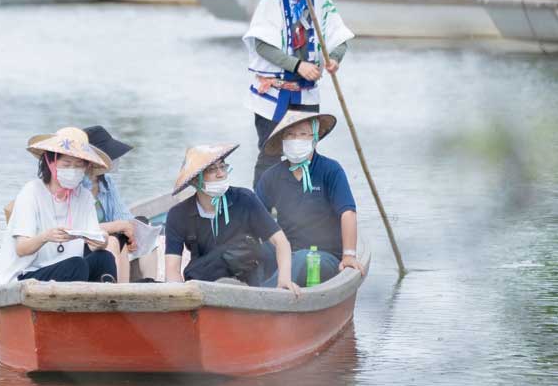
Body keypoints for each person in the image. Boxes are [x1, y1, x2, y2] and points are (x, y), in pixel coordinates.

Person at [243, 0, 354, 174]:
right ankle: (263, 208)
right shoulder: (270, 1)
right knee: (270, 155)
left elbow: (340, 38)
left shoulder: (323, 2)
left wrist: (333, 58)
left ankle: (300, 207)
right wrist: (298, 66)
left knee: (304, 154)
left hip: (307, 92)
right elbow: (262, 46)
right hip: (274, 91)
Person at [0, 128, 130, 284]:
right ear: (51, 162)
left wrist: (102, 241)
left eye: (78, 165)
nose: (72, 170)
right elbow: (22, 248)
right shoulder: (32, 192)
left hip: (69, 270)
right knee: (76, 265)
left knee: (104, 257)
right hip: (28, 274)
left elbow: (93, 242)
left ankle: (105, 303)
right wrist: (46, 237)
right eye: (66, 164)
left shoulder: (84, 197)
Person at [161, 143, 297, 291]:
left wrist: (284, 279)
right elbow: (172, 269)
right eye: (212, 170)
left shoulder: (245, 199)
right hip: (203, 284)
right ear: (195, 180)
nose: (221, 174)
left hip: (247, 284)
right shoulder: (178, 214)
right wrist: (181, 295)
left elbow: (281, 241)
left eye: (223, 167)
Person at [254, 111, 363, 287]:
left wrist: (349, 255)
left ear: (314, 137)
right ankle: (247, 290)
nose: (296, 139)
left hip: (323, 256)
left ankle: (262, 297)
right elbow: (254, 216)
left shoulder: (330, 170)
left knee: (303, 258)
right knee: (249, 250)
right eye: (290, 134)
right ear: (282, 140)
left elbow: (348, 213)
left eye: (303, 134)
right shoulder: (272, 176)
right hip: (286, 252)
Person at [79, 124, 163, 281]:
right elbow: (80, 228)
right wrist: (119, 226)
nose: (114, 160)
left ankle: (152, 285)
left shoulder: (106, 182)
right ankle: (120, 291)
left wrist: (132, 232)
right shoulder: (78, 185)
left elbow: (123, 216)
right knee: (114, 241)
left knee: (147, 237)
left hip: (112, 236)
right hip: (88, 243)